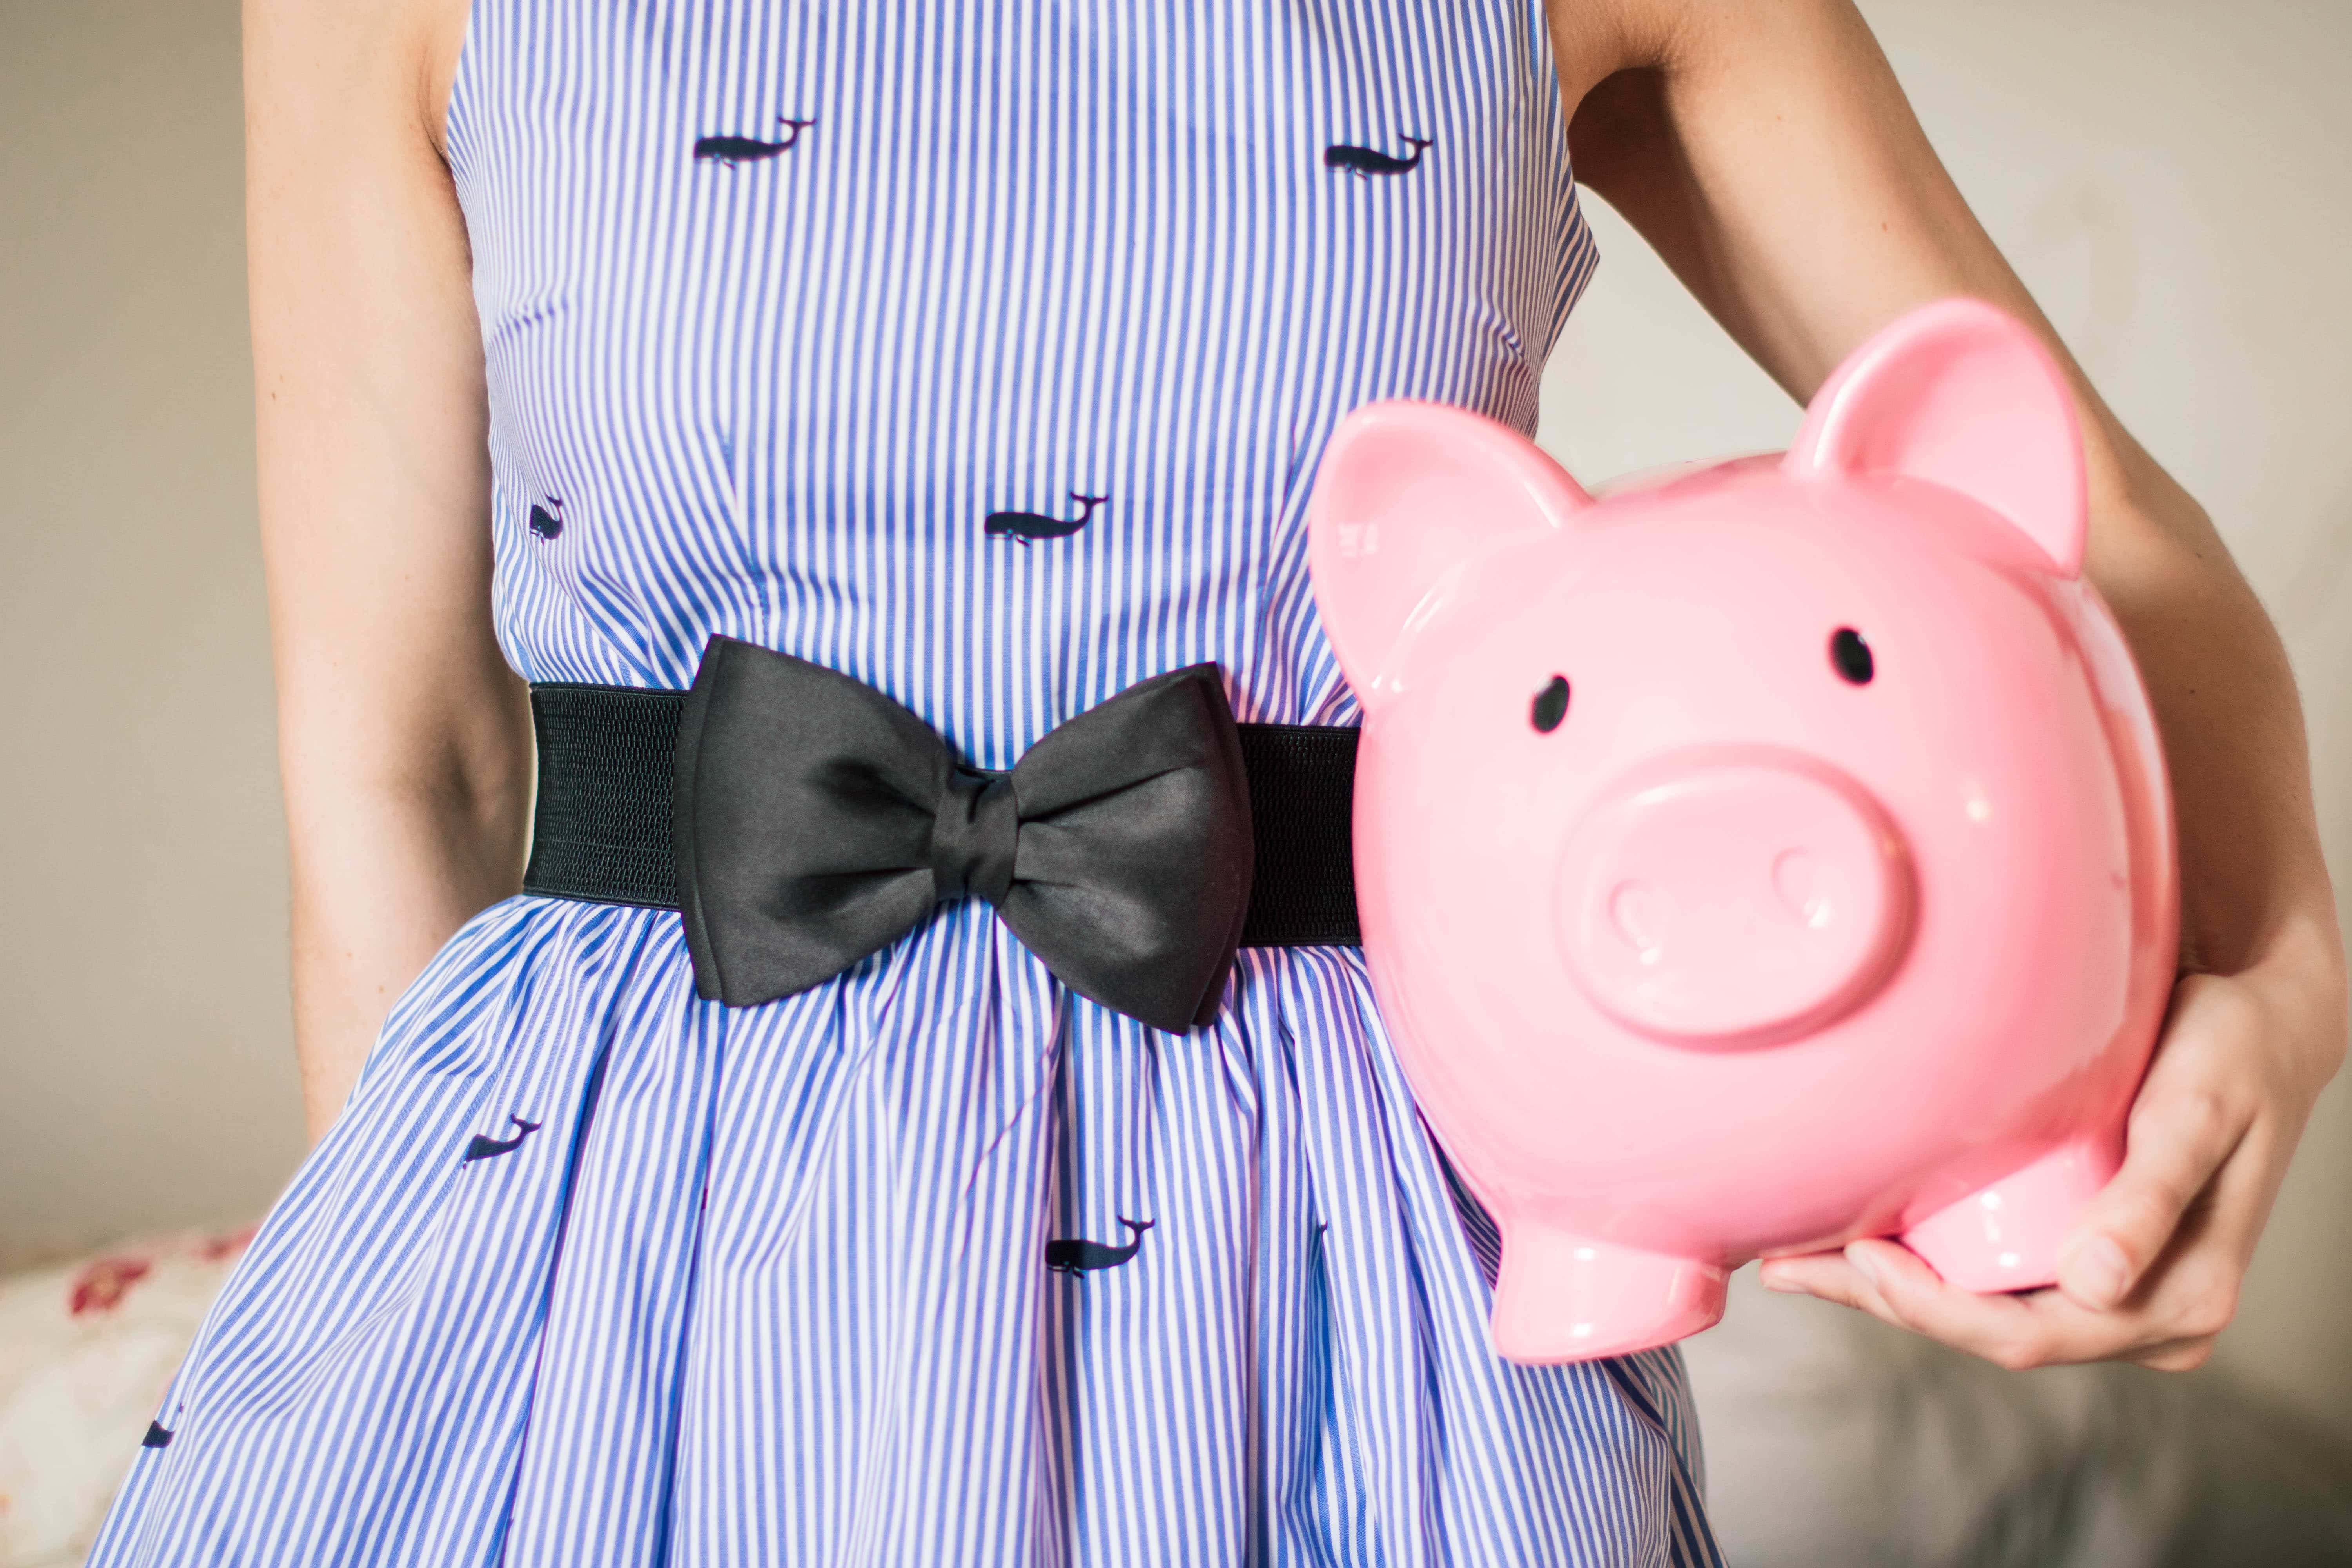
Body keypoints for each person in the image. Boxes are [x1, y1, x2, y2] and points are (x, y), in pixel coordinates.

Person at [92, 0, 2347, 1561]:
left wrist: (2279, 982)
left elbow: (2099, 545)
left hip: (1336, 1261)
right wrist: (442, 1359)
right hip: (623, 1251)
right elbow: (405, 766)